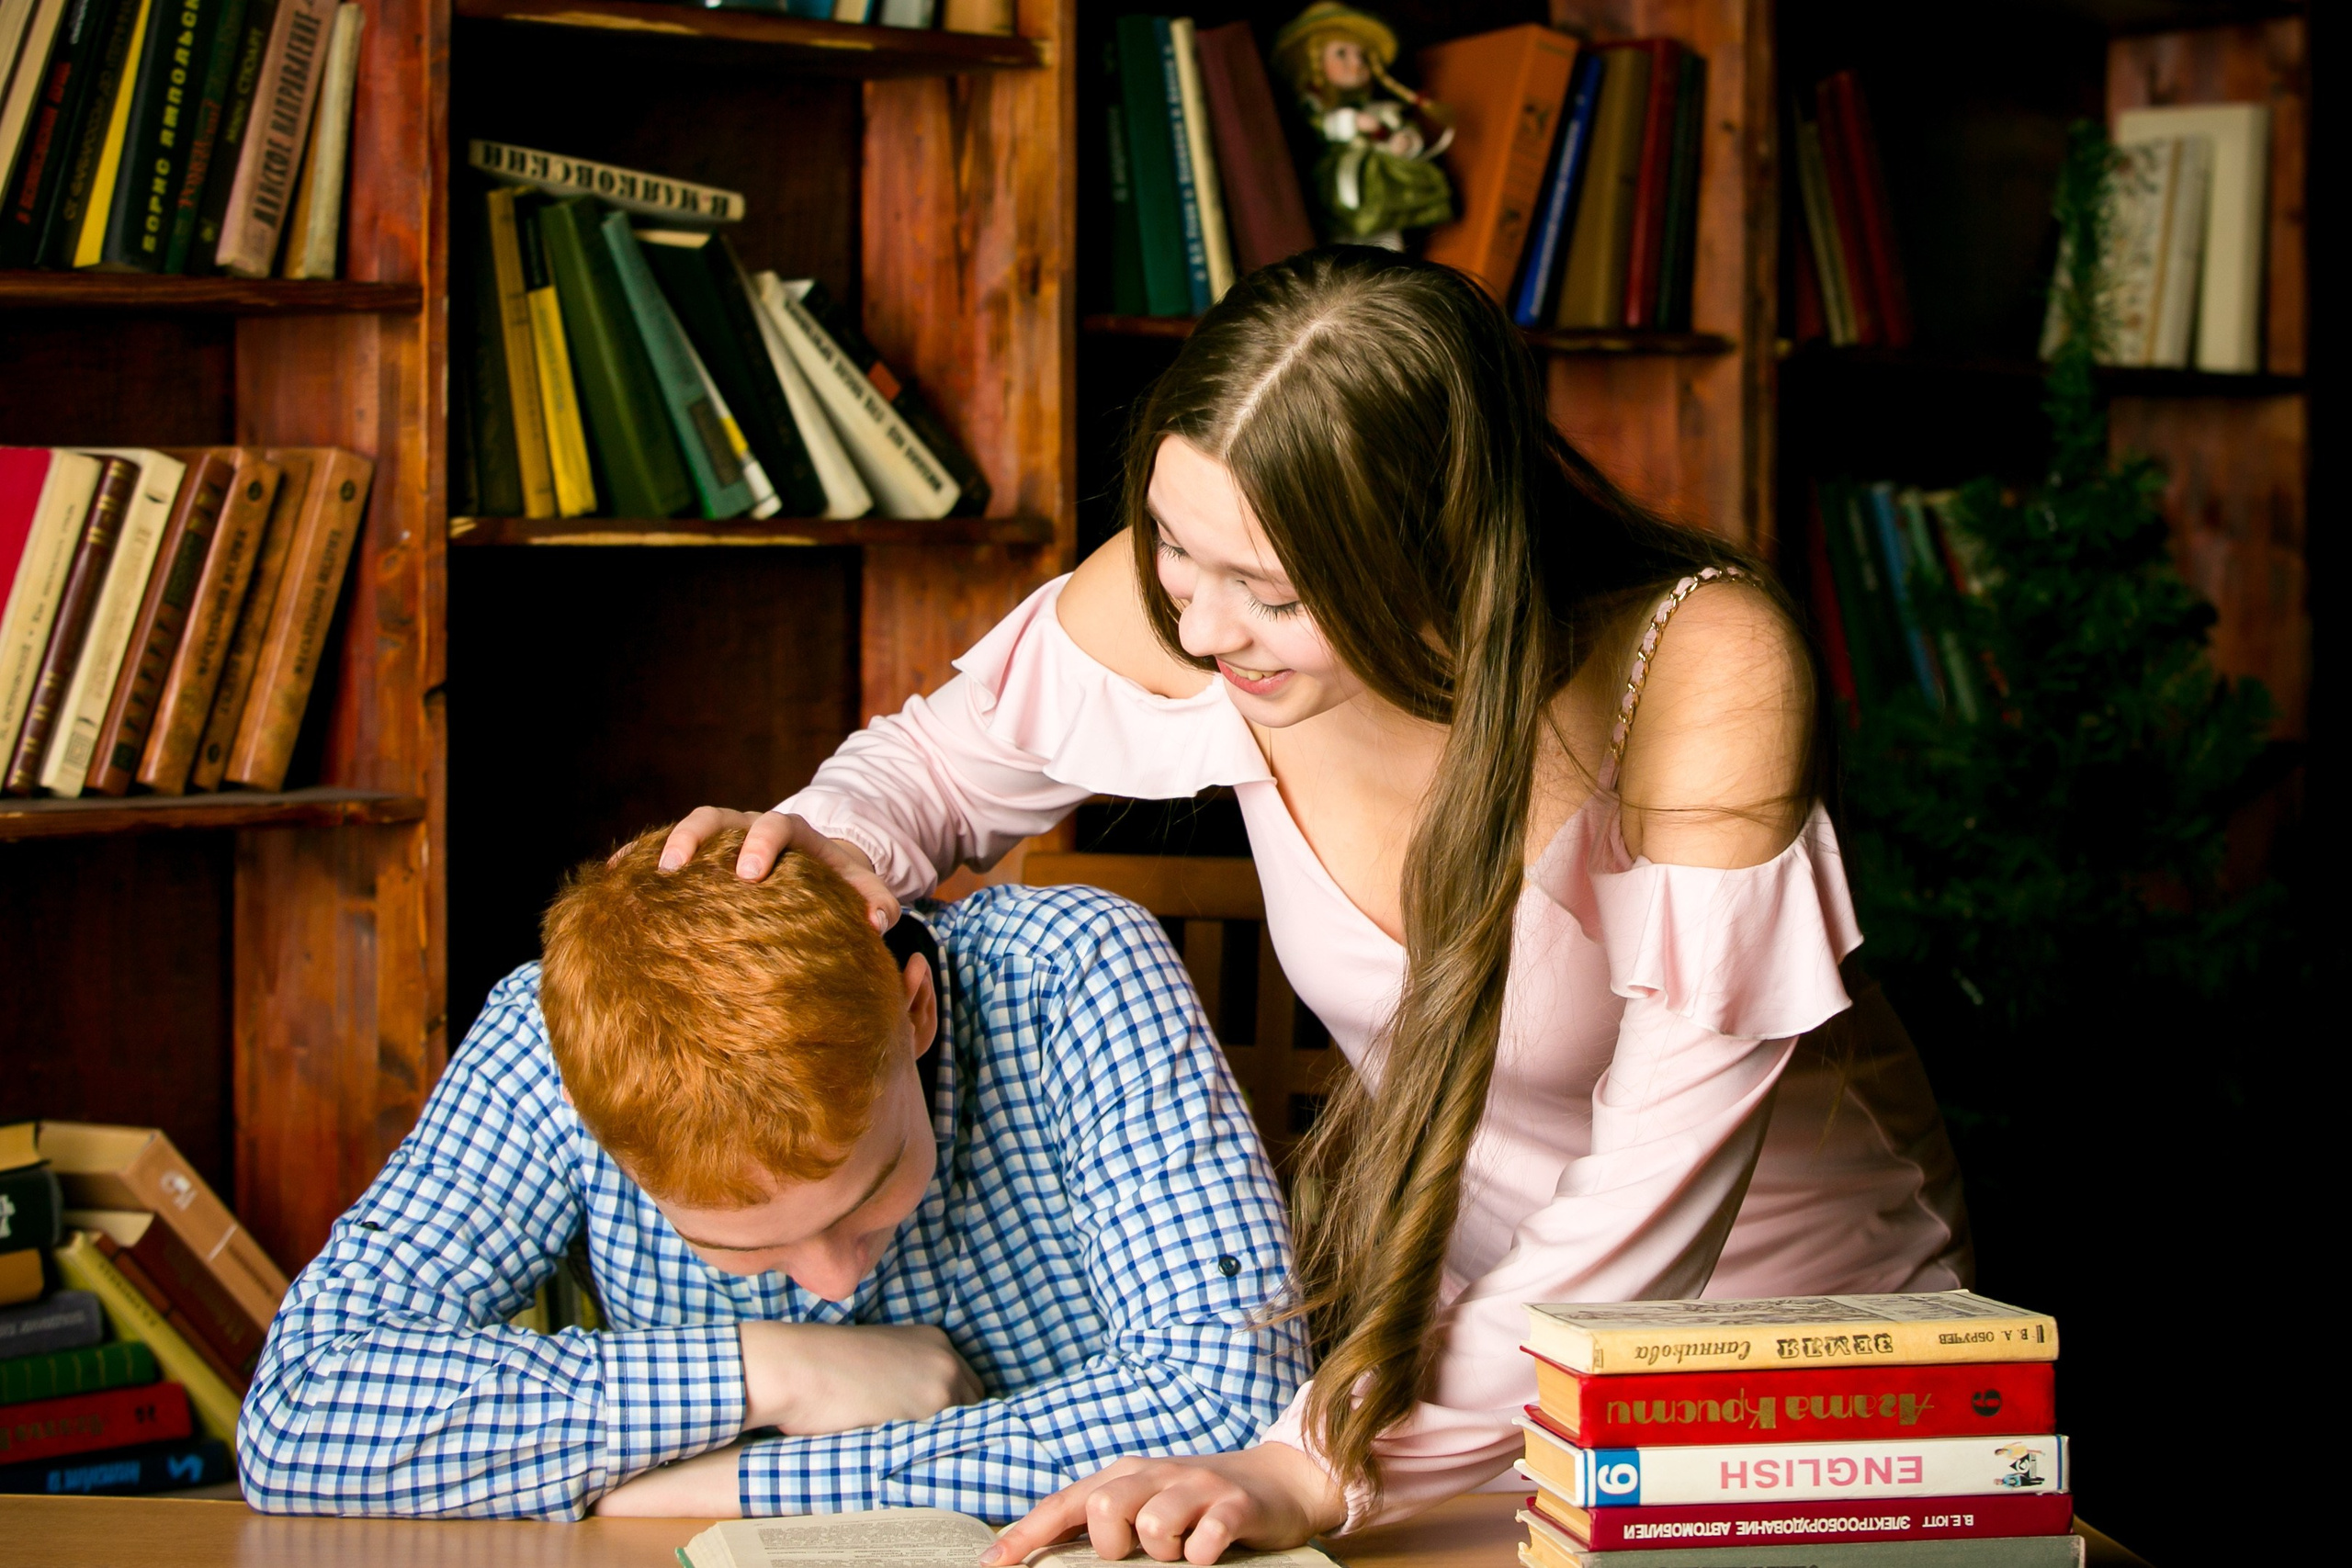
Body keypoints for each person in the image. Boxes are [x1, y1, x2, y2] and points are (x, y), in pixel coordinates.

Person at [662, 247, 1972, 1560]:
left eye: (1276, 594)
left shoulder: (1702, 664)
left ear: (1440, 550)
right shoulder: (1197, 592)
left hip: (1783, 1364)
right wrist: (828, 846)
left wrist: (1319, 1460)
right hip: (1451, 1367)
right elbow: (936, 767)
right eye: (1175, 544)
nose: (1208, 626)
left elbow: (1654, 1191)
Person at [235, 828, 1306, 1519]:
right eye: (739, 1251)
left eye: (869, 1193)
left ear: (917, 1008)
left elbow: (1227, 1404)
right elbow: (302, 1415)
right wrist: (769, 1370)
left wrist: (727, 1487)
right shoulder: (548, 1045)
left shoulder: (1071, 973)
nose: (833, 1286)